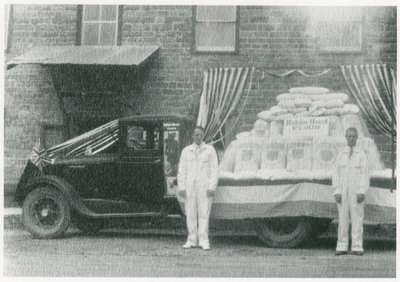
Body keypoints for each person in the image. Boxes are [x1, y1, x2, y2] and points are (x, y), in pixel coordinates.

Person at [177, 126, 218, 250]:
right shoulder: (186, 151)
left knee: (204, 213)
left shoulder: (210, 150)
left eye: (200, 134)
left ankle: (204, 241)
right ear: (192, 136)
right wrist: (182, 187)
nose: (198, 137)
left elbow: (214, 170)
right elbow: (182, 170)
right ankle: (191, 240)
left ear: (203, 136)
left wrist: (212, 187)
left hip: (204, 187)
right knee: (190, 213)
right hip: (190, 187)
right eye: (196, 134)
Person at [332, 127, 369, 256]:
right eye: (349, 136)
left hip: (356, 192)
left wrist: (362, 191)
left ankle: (357, 246)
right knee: (342, 220)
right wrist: (336, 191)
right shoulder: (341, 154)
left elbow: (365, 174)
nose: (351, 138)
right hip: (343, 191)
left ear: (357, 138)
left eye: (354, 136)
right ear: (346, 137)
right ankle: (341, 246)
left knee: (357, 219)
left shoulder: (361, 155)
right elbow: (335, 173)